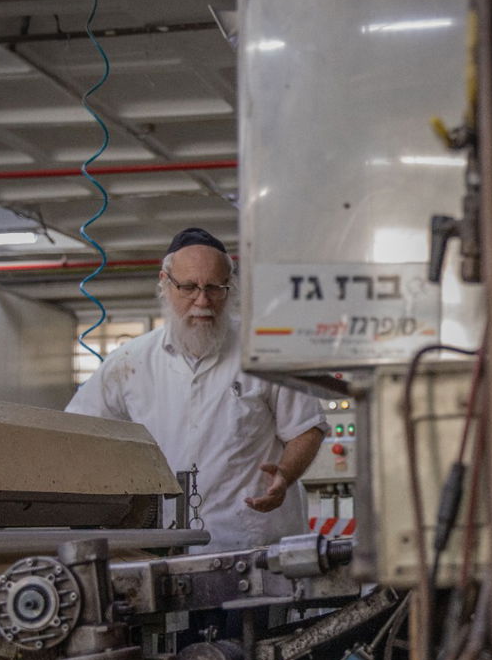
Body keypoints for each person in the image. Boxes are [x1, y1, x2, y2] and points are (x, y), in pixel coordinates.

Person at [66, 227, 327, 553]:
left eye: (215, 288)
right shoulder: (130, 362)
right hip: (165, 547)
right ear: (165, 283)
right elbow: (78, 430)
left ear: (230, 287)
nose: (202, 301)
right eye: (189, 287)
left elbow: (306, 428)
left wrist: (285, 475)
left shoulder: (266, 351)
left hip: (254, 546)